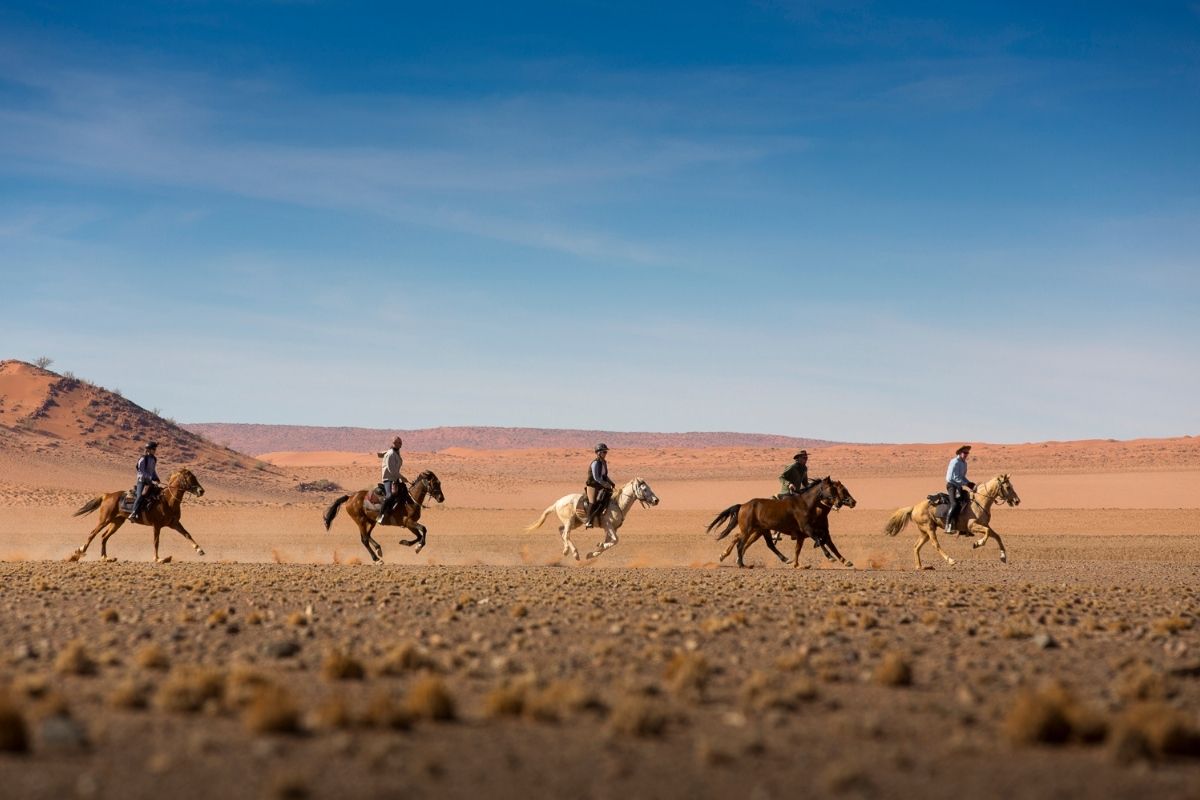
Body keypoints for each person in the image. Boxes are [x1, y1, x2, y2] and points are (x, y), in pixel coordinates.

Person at [375, 436, 411, 528]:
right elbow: (392, 470)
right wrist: (402, 477)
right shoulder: (391, 454)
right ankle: (381, 515)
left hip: (395, 478)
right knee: (390, 495)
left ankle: (402, 518)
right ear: (394, 443)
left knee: (405, 494)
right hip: (388, 479)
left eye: (401, 443)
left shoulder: (396, 452)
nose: (400, 444)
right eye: (399, 443)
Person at [944, 445, 977, 533]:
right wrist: (967, 484)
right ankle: (948, 525)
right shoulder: (955, 462)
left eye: (967, 453)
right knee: (954, 504)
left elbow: (962, 477)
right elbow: (954, 477)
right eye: (965, 452)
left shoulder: (964, 463)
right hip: (951, 485)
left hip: (958, 486)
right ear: (959, 452)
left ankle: (962, 528)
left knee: (966, 501)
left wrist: (970, 483)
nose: (966, 454)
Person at [584, 443, 615, 529]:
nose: (605, 454)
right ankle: (588, 521)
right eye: (604, 452)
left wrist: (611, 483)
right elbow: (596, 477)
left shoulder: (603, 462)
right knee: (593, 501)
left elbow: (604, 475)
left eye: (606, 452)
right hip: (593, 486)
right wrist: (606, 484)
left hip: (601, 485)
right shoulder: (595, 463)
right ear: (598, 453)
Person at [128, 441, 160, 522]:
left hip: (149, 481)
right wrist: (149, 477)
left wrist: (156, 478)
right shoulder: (143, 459)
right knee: (140, 496)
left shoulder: (154, 459)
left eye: (155, 449)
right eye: (153, 449)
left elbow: (152, 471)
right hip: (141, 481)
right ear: (148, 450)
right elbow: (141, 471)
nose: (155, 450)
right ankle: (133, 513)